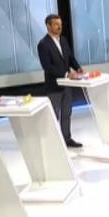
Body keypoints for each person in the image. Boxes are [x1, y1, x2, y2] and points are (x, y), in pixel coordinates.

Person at [37, 14, 84, 148]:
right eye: (56, 24)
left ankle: (66, 139)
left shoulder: (63, 40)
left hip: (67, 85)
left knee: (67, 113)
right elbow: (47, 67)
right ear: (48, 26)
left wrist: (78, 68)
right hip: (54, 86)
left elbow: (70, 57)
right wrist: (66, 74)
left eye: (60, 24)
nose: (59, 27)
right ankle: (52, 143)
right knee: (53, 116)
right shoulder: (43, 44)